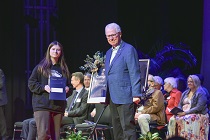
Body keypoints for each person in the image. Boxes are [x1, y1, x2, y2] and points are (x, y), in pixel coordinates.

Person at [104, 22, 141, 140]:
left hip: (125, 95)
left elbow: (134, 72)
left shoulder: (128, 49)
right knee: (117, 129)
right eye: (108, 36)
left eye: (113, 35)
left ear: (120, 34)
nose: (111, 38)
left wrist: (136, 94)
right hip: (112, 96)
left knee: (127, 128)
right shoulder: (108, 52)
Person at [28, 41, 71, 140]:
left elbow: (70, 86)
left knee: (56, 137)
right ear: (49, 51)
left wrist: (68, 89)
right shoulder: (41, 67)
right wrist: (44, 87)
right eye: (53, 49)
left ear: (61, 52)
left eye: (58, 50)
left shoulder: (64, 69)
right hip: (43, 105)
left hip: (58, 106)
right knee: (43, 136)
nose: (55, 51)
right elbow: (31, 83)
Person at [167, 75, 209, 139]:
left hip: (198, 113)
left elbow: (199, 107)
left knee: (186, 119)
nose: (189, 83)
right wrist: (178, 111)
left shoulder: (201, 93)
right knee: (173, 119)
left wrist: (185, 113)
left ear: (196, 82)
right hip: (184, 113)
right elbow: (180, 104)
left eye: (191, 81)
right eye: (188, 81)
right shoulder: (185, 93)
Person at [0, 69, 8, 140]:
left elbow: (1, 84)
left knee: (1, 120)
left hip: (0, 100)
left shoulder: (0, 71)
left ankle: (4, 137)